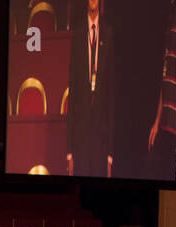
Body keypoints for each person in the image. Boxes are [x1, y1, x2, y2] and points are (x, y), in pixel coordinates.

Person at [65, 0, 115, 178]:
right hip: (81, 135)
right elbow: (73, 93)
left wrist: (110, 154)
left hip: (100, 138)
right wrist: (69, 152)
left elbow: (111, 97)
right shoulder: (78, 34)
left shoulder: (108, 33)